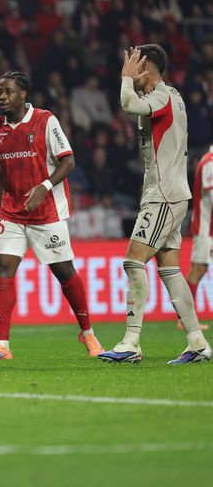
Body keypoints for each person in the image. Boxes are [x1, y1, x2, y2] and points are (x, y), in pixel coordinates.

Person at [0, 71, 104, 362]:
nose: (2, 97)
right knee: (3, 269)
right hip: (11, 211)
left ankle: (87, 333)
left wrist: (45, 186)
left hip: (46, 211)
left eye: (8, 91)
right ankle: (1, 345)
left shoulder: (46, 120)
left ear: (23, 94)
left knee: (64, 271)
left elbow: (68, 161)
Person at [100, 46, 211, 364]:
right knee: (170, 270)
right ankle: (198, 343)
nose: (131, 69)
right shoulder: (168, 97)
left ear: (147, 69)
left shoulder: (162, 96)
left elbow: (127, 104)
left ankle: (130, 342)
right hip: (169, 193)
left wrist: (125, 79)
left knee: (133, 261)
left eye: (136, 65)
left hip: (163, 195)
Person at [184, 145, 213, 331]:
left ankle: (186, 318)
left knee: (199, 269)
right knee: (197, 269)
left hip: (208, 227)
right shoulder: (210, 162)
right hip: (204, 226)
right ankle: (186, 319)